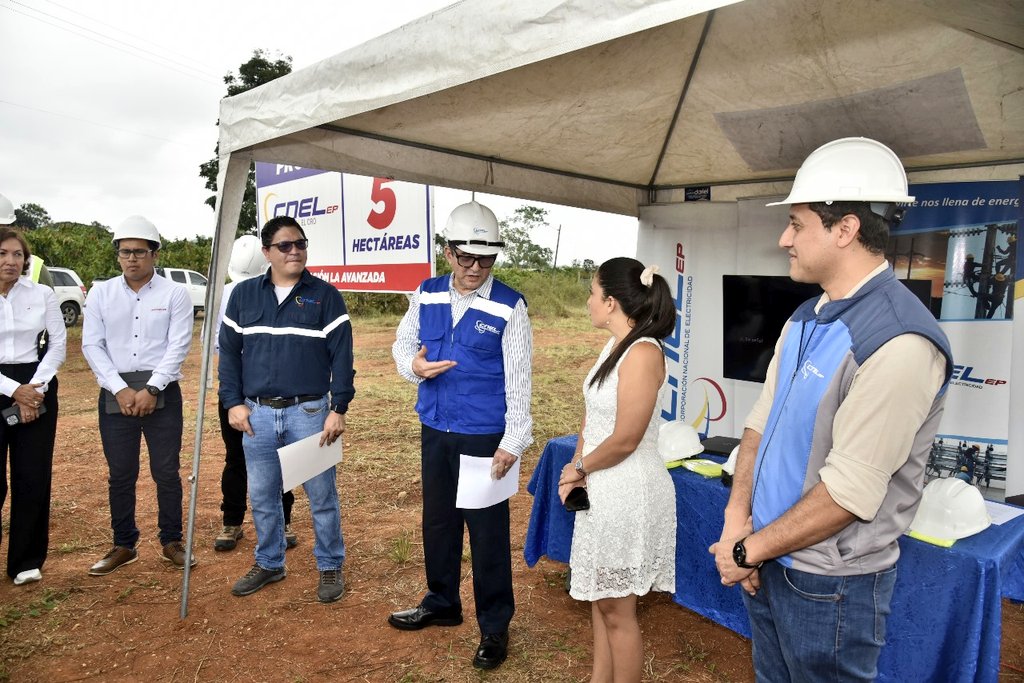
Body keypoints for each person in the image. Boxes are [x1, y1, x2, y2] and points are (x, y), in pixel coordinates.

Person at [710, 138, 953, 681]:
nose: (784, 239)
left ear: (844, 229)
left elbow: (848, 494)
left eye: (796, 225)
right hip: (770, 555)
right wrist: (737, 525)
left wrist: (747, 550)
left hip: (829, 585)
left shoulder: (898, 341)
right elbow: (758, 425)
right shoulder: (805, 315)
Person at [388, 200, 532, 671]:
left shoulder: (510, 305)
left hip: (483, 436)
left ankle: (494, 626)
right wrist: (414, 366)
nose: (475, 268)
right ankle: (442, 601)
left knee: (488, 533)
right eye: (466, 257)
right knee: (439, 522)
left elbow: (519, 379)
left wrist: (513, 440)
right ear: (447, 251)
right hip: (436, 429)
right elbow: (403, 344)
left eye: (486, 259)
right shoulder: (426, 293)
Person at [218, 216, 353, 603]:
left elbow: (342, 356)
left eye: (300, 244)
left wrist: (338, 407)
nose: (294, 251)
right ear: (267, 253)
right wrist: (234, 403)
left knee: (321, 495)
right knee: (262, 494)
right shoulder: (244, 296)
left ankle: (329, 566)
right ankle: (270, 563)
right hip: (257, 415)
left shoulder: (325, 296)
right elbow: (228, 353)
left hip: (308, 415)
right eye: (284, 246)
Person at [555, 257, 677, 683]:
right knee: (601, 599)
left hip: (629, 491)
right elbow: (594, 417)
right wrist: (577, 466)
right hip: (604, 486)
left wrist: (579, 468)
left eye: (591, 292)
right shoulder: (617, 344)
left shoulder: (643, 353)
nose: (587, 300)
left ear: (610, 302)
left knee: (618, 609)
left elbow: (626, 438)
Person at [83, 216, 195, 575]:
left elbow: (178, 345)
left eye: (139, 252)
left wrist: (151, 388)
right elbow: (92, 344)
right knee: (120, 473)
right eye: (124, 252)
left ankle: (171, 541)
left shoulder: (174, 293)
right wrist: (119, 388)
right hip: (116, 393)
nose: (131, 258)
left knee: (166, 471)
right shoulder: (102, 292)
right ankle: (124, 544)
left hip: (161, 393)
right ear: (117, 255)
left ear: (155, 254)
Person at [213, 235, 297, 552]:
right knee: (236, 458)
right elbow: (222, 350)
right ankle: (232, 522)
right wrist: (231, 397)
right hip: (237, 392)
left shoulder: (284, 293)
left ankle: (283, 521)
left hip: (273, 391)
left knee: (280, 458)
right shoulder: (224, 295)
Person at [0, 226, 67, 586]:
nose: (11, 261)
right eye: (2, 254)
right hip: (8, 385)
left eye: (17, 255)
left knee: (32, 475)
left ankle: (26, 560)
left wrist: (34, 390)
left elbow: (57, 344)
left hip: (37, 382)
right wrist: (15, 391)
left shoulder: (42, 294)